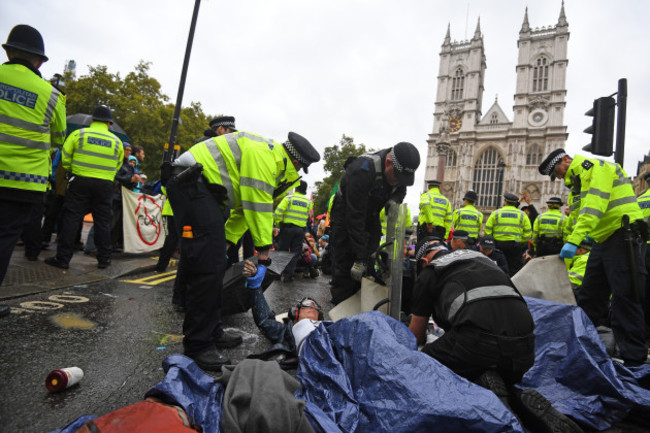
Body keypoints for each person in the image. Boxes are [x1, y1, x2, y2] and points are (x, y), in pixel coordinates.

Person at [160, 130, 320, 371]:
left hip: (202, 188)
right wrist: (264, 253)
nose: (296, 174)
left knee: (214, 265)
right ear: (297, 162)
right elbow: (258, 205)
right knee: (205, 269)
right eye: (299, 169)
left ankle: (211, 331)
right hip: (191, 183)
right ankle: (197, 344)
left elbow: (244, 210)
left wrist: (227, 241)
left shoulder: (270, 156)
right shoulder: (266, 157)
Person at [407, 238, 582, 433]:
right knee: (483, 367)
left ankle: (494, 412)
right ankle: (517, 400)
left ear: (423, 261)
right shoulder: (483, 259)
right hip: (524, 350)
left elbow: (415, 338)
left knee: (427, 365)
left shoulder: (431, 271)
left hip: (477, 344)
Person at [538, 148, 647, 367]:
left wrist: (574, 241)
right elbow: (578, 218)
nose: (558, 178)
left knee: (624, 298)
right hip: (602, 240)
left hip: (621, 235)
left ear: (565, 161)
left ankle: (635, 361)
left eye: (557, 172)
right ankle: (581, 348)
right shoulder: (576, 185)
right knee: (589, 297)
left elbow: (594, 207)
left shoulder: (596, 167)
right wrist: (571, 238)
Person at [0, 24, 67, 318]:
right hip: (22, 181)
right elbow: (59, 134)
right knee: (4, 238)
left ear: (8, 51)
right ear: (39, 61)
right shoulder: (52, 95)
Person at [329, 142, 420, 305]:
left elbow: (401, 190)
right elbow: (354, 218)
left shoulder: (398, 175)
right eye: (397, 177)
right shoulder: (361, 171)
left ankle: (361, 301)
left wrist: (393, 201)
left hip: (371, 213)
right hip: (346, 212)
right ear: (388, 163)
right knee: (345, 259)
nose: (398, 182)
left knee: (371, 257)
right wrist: (360, 259)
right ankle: (340, 303)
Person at [45, 105, 123, 270]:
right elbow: (118, 165)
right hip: (105, 184)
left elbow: (65, 159)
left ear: (93, 119)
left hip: (80, 181)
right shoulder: (117, 142)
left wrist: (75, 170)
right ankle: (104, 260)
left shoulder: (79, 134)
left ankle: (63, 258)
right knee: (102, 222)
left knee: (72, 218)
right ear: (109, 123)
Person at [484, 193, 531, 276]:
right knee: (514, 271)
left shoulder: (496, 213)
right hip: (515, 246)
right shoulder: (522, 215)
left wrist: (493, 241)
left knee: (497, 269)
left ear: (505, 202)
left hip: (498, 245)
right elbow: (528, 233)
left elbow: (487, 230)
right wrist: (519, 241)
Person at [274, 180, 313, 282]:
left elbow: (277, 212)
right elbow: (308, 217)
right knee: (295, 254)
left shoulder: (289, 198)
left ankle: (277, 275)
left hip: (287, 229)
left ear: (296, 188)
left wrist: (279, 224)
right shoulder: (309, 202)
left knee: (282, 252)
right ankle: (288, 276)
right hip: (300, 231)